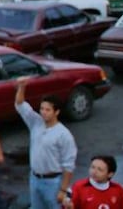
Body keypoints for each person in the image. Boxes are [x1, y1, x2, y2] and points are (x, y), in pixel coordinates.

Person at [15, 76, 77, 209]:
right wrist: (22, 87)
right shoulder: (36, 122)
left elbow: (69, 165)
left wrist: (63, 189)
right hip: (34, 178)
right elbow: (20, 105)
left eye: (48, 110)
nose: (43, 112)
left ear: (57, 112)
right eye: (42, 108)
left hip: (53, 182)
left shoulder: (64, 135)